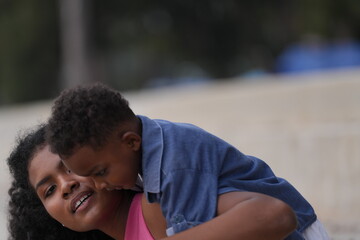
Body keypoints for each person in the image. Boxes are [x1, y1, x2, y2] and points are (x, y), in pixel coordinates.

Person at [46, 83, 329, 239]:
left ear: (131, 141)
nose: (99, 184)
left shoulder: (173, 165)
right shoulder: (148, 149)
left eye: (101, 172)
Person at [7, 124, 296, 240]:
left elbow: (275, 213)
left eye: (69, 168)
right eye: (50, 190)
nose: (66, 185)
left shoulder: (159, 205)